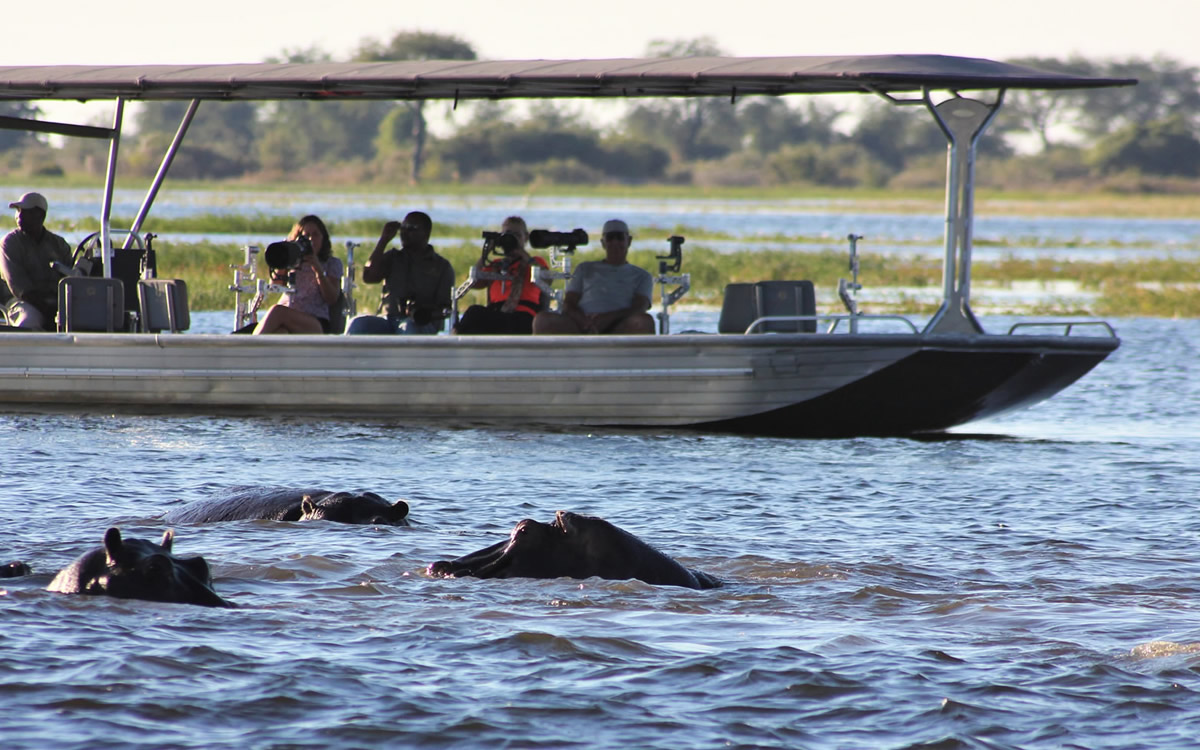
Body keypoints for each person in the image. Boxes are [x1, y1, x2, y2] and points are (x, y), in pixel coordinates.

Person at [532, 219, 655, 335]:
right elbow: (569, 303)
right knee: (542, 320)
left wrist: (608, 318)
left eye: (620, 237)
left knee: (644, 322)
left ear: (629, 241)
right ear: (603, 242)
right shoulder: (584, 269)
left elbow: (639, 307)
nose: (615, 242)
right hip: (582, 325)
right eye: (610, 238)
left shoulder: (642, 276)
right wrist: (585, 322)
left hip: (621, 327)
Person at [346, 211, 454, 335]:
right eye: (402, 228)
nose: (404, 233)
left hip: (420, 324)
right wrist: (383, 240)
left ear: (426, 233)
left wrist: (421, 311)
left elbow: (445, 308)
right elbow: (369, 277)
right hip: (388, 320)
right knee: (358, 324)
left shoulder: (441, 267)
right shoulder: (393, 257)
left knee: (408, 327)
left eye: (411, 228)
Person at [454, 216, 549, 335]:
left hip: (523, 315)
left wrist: (522, 253)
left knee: (518, 322)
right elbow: (474, 282)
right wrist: (487, 251)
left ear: (525, 237)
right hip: (496, 313)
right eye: (508, 235)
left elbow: (546, 278)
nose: (512, 239)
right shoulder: (495, 265)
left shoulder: (535, 261)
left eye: (517, 235)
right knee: (474, 312)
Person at [253, 215, 343, 334]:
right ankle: (256, 349)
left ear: (323, 238)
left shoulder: (331, 263)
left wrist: (318, 269)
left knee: (277, 310)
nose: (310, 239)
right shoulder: (293, 262)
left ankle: (249, 345)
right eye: (305, 236)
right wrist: (284, 257)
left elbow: (332, 298)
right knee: (281, 333)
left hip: (315, 322)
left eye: (315, 235)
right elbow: (275, 285)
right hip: (286, 317)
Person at [0, 192, 72, 330]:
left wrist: (60, 307)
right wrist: (48, 310)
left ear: (40, 215)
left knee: (85, 318)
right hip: (21, 301)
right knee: (30, 321)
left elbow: (70, 282)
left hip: (55, 302)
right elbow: (19, 288)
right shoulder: (9, 243)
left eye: (25, 212)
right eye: (18, 211)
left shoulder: (59, 244)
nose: (19, 216)